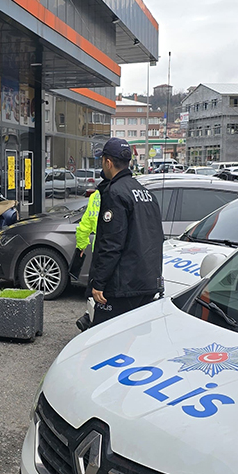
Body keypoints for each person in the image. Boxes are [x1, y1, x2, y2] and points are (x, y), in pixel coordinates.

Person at [88, 137, 164, 326]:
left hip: (122, 286)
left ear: (108, 162)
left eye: (102, 161)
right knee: (134, 342)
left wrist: (99, 283)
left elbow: (112, 243)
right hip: (146, 282)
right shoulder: (145, 193)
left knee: (105, 339)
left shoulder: (115, 193)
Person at [72, 146, 103, 331]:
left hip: (99, 251)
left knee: (95, 289)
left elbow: (84, 226)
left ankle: (89, 318)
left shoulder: (96, 197)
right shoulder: (120, 195)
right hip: (114, 251)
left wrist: (81, 246)